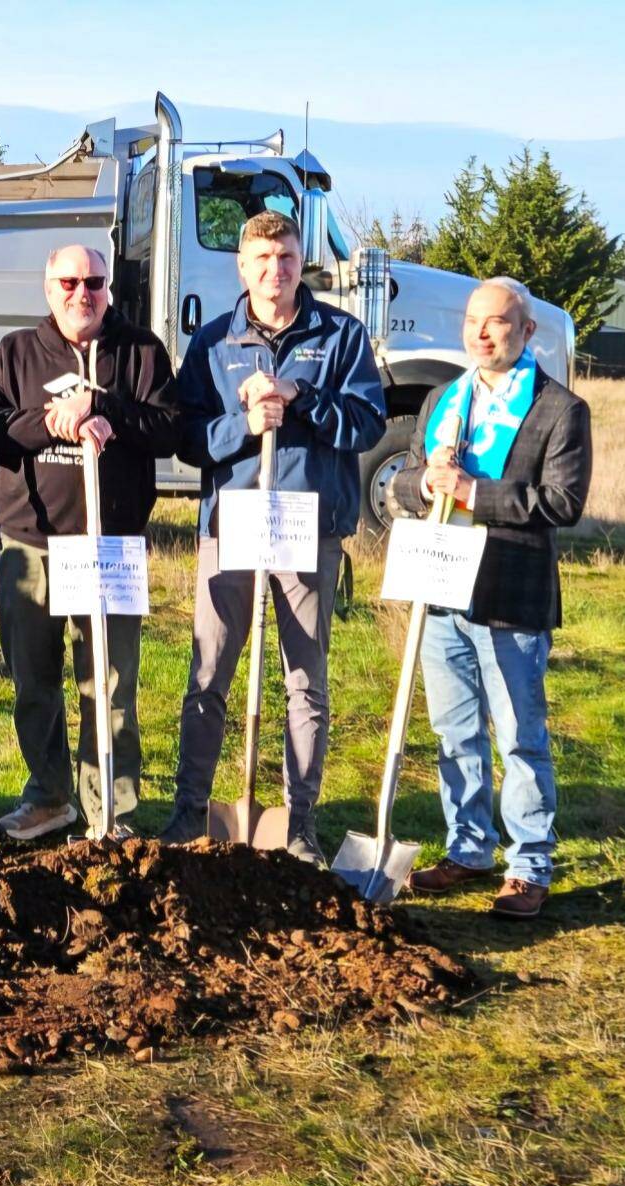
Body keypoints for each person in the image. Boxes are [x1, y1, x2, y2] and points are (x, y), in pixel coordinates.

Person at [161, 210, 386, 866]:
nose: (275, 271)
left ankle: (298, 823)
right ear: (242, 267)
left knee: (304, 681)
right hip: (231, 525)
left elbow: (368, 425)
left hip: (306, 527)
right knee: (209, 673)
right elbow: (185, 440)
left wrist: (303, 398)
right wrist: (242, 422)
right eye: (262, 259)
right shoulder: (213, 342)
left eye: (286, 258)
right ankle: (189, 813)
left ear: (300, 263)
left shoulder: (340, 336)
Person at [391, 278, 590, 920]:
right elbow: (408, 484)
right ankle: (469, 847)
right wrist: (425, 482)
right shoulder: (443, 402)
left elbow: (563, 503)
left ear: (526, 332)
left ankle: (529, 864)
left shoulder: (560, 409)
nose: (482, 333)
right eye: (474, 320)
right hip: (442, 592)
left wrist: (475, 492)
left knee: (519, 737)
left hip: (511, 595)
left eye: (498, 322)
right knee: (454, 732)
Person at [0, 245, 182, 840]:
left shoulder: (141, 352)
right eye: (68, 282)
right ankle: (48, 797)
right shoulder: (16, 352)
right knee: (34, 679)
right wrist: (50, 420)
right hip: (30, 543)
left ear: (108, 286)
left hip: (110, 546)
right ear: (48, 288)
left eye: (93, 282)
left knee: (110, 684)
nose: (80, 293)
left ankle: (110, 810)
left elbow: (170, 429)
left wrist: (106, 408)